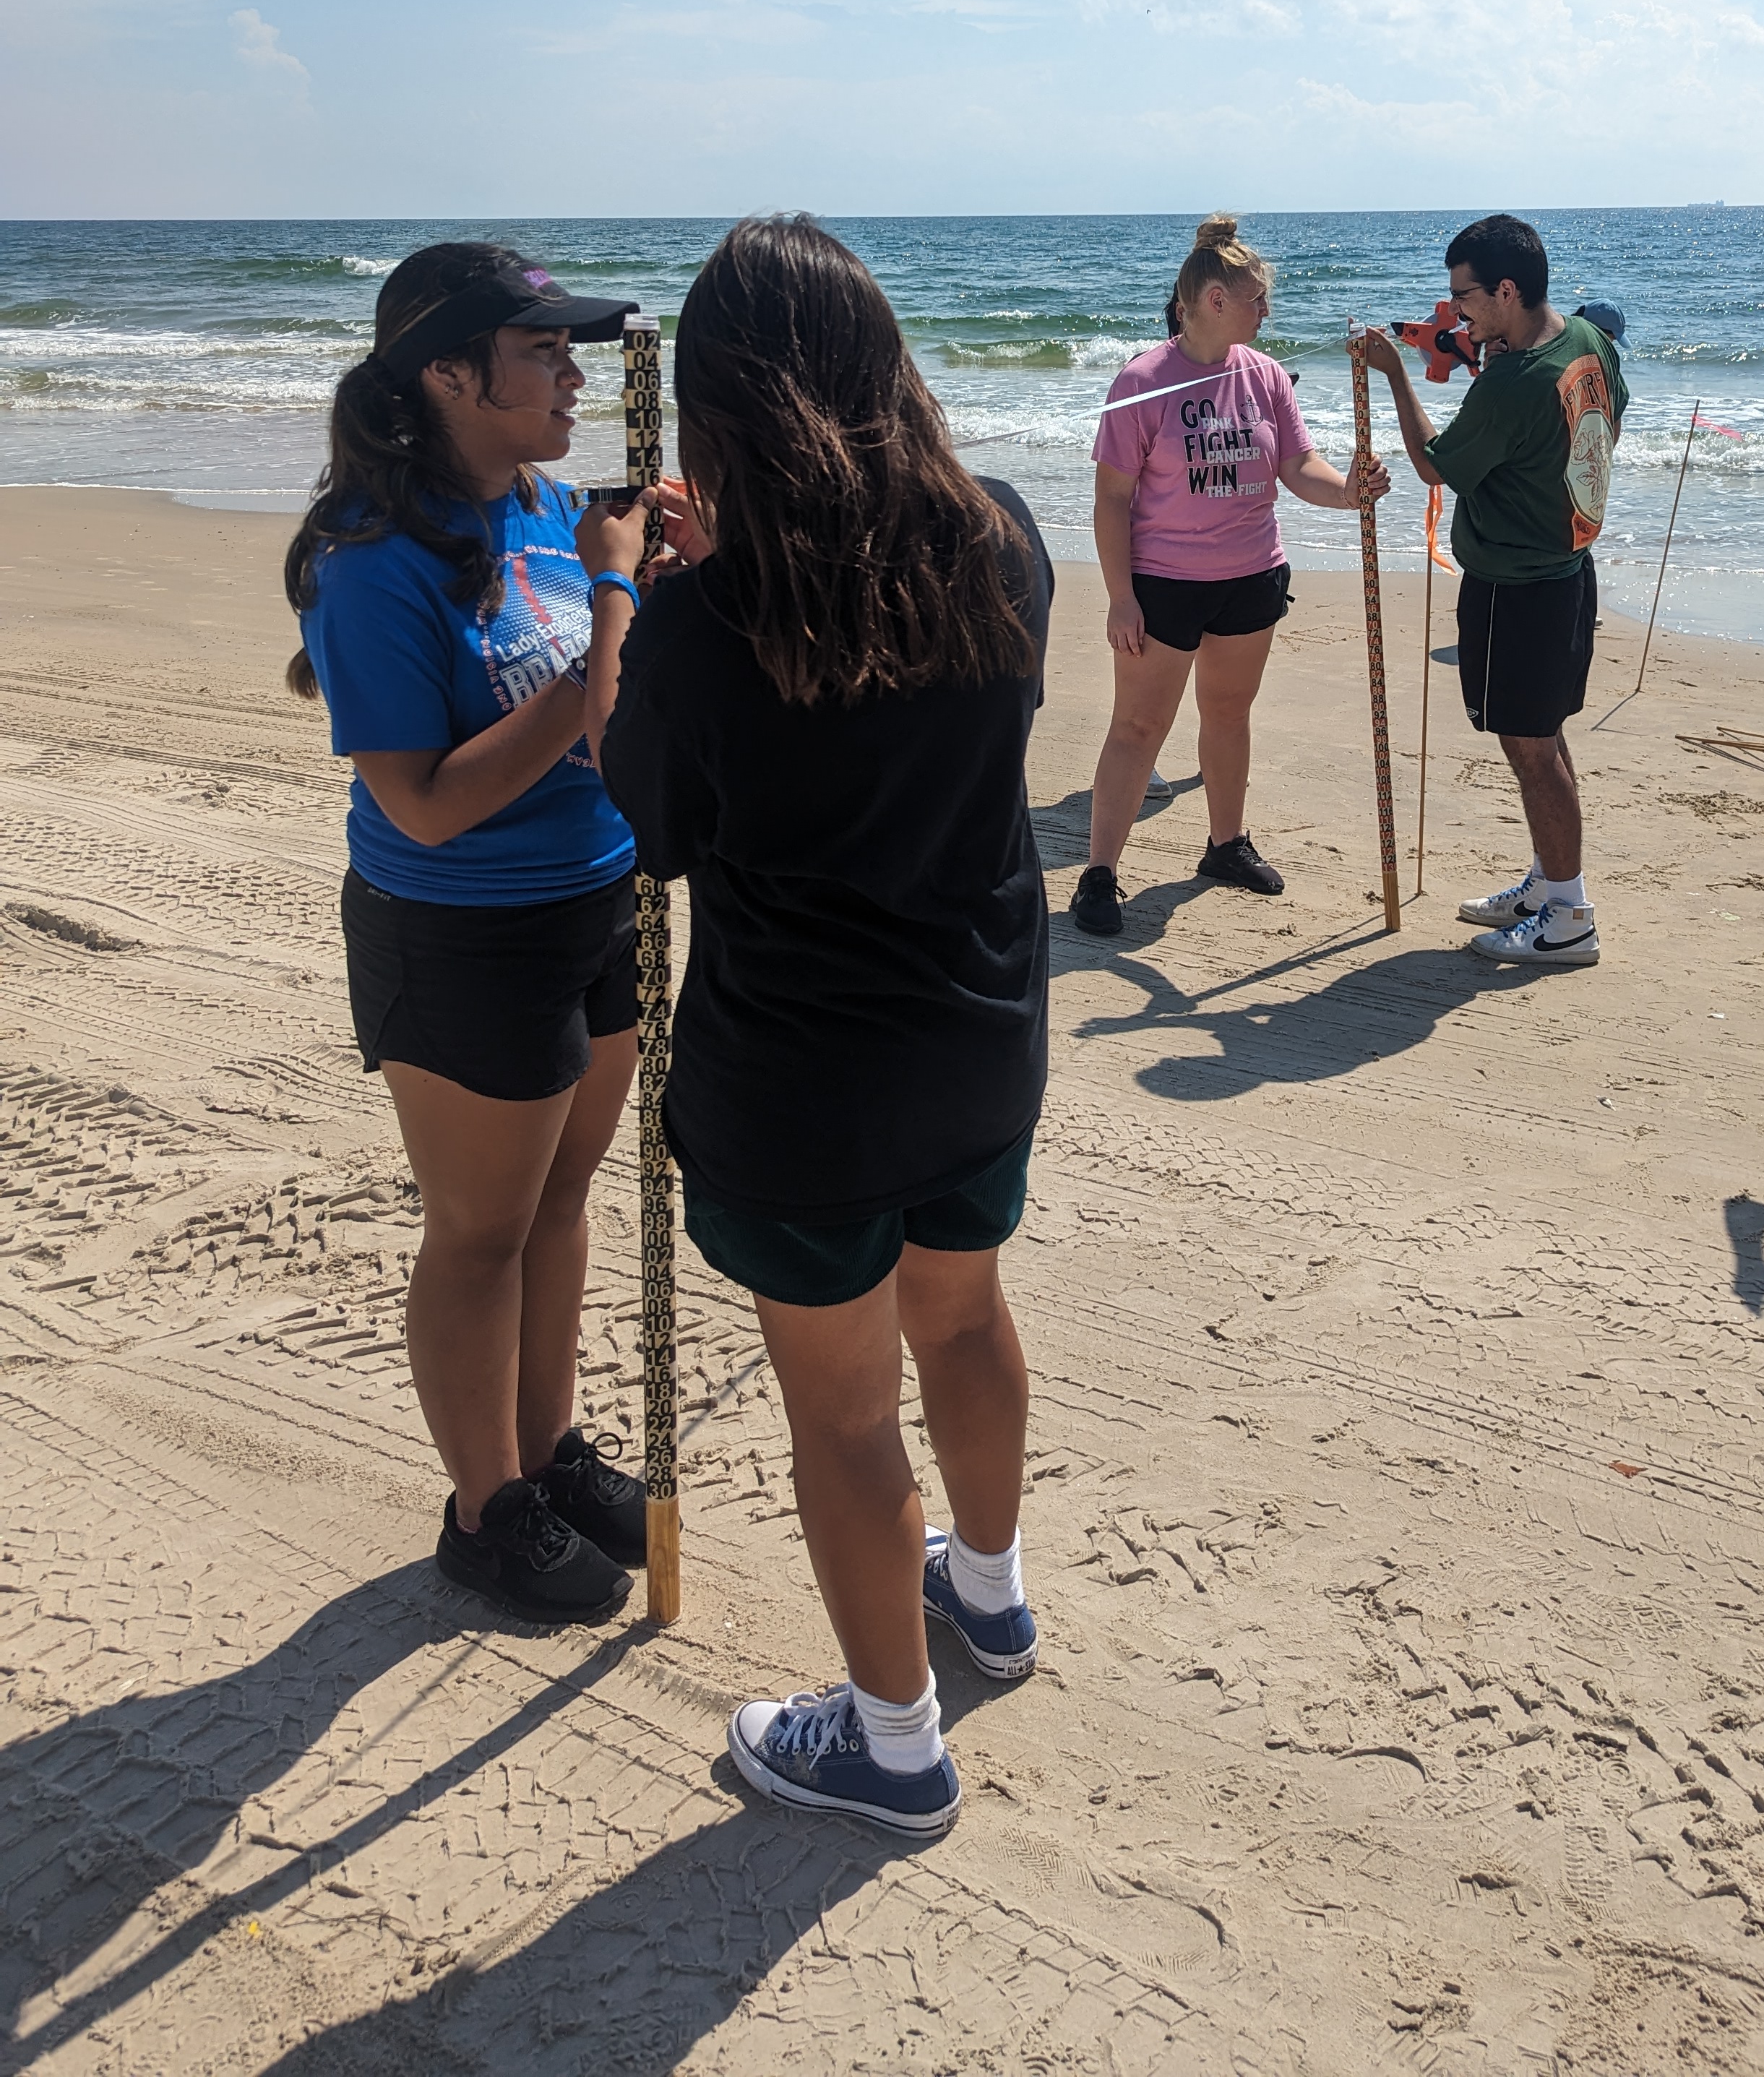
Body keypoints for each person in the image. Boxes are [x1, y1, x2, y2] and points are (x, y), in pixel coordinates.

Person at [600, 217, 1054, 1839]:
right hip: (980, 1031)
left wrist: (629, 599)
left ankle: (892, 1743)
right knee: (967, 1314)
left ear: (723, 402)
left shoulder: (709, 624)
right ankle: (986, 1593)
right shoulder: (1001, 539)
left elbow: (643, 822)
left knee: (848, 1412)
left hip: (802, 1082)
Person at [286, 241, 659, 1622]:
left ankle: (544, 1455)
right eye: (542, 351)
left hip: (596, 894)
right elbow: (427, 805)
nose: (573, 375)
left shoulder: (556, 505)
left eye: (575, 350)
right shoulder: (369, 561)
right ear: (447, 373)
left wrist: (663, 581)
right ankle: (481, 1508)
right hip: (457, 928)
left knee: (559, 1202)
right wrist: (612, 609)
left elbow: (620, 703)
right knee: (478, 1232)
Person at [1069, 215, 1388, 938]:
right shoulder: (1143, 382)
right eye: (1256, 300)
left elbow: (1297, 466)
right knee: (1139, 725)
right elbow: (1112, 498)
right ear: (1214, 299)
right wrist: (1121, 596)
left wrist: (1347, 492)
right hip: (1164, 583)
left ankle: (1225, 845)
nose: (1266, 312)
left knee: (1230, 714)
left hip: (1252, 573)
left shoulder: (1266, 375)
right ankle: (1099, 874)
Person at [1360, 212, 1627, 970]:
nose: (1459, 312)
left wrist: (1396, 374)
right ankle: (1551, 883)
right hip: (1569, 567)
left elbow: (1436, 465)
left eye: (1467, 297)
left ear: (1507, 289)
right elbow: (1596, 427)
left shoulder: (1514, 381)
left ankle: (1570, 915)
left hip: (1520, 586)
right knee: (1543, 735)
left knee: (1531, 747)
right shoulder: (1586, 340)